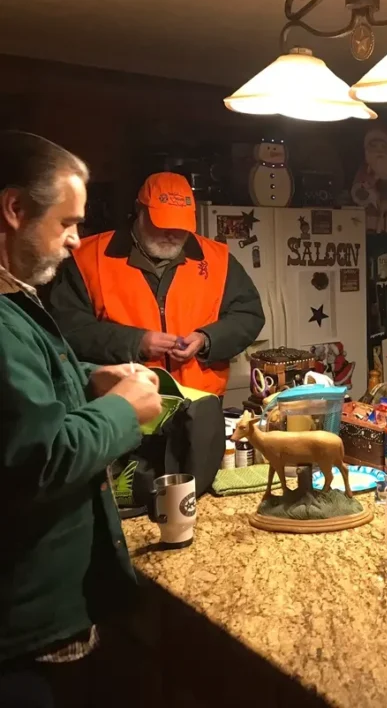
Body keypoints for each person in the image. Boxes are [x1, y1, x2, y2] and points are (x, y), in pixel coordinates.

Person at [0, 131, 162, 706]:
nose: (76, 240)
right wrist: (124, 410)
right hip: (23, 627)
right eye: (68, 222)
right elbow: (36, 458)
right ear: (15, 209)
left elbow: (23, 409)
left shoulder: (15, 298)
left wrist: (87, 378)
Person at [48, 171, 265, 396]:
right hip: (120, 403)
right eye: (161, 224)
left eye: (180, 227)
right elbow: (68, 330)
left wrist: (206, 339)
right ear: (138, 211)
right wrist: (136, 342)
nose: (171, 234)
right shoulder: (87, 258)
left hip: (200, 403)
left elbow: (248, 314)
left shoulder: (218, 258)